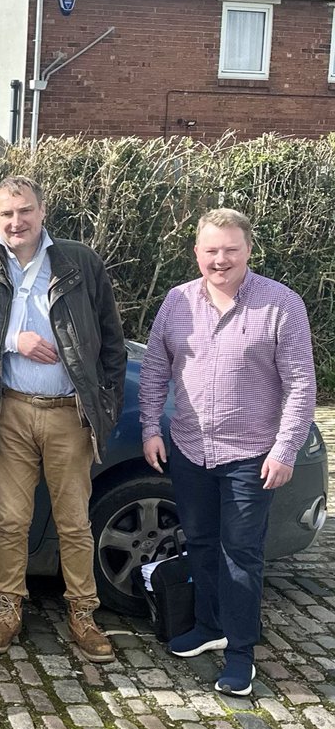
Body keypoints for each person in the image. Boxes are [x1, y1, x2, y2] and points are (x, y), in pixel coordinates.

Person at [0, 175, 126, 663]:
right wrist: (10, 342)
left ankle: (83, 613)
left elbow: (111, 342)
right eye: (6, 214)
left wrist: (104, 405)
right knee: (12, 520)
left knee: (73, 522)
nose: (15, 222)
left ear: (42, 212)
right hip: (9, 412)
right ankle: (8, 609)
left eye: (24, 211)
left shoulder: (78, 263)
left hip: (68, 413)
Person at [141, 208, 315, 696]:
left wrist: (285, 449)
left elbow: (301, 384)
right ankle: (208, 625)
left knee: (241, 554)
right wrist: (151, 427)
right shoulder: (177, 302)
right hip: (190, 448)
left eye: (230, 250)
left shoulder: (281, 304)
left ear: (248, 251)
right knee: (198, 541)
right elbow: (155, 368)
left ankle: (240, 652)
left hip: (251, 455)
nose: (220, 260)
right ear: (196, 252)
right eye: (211, 250)